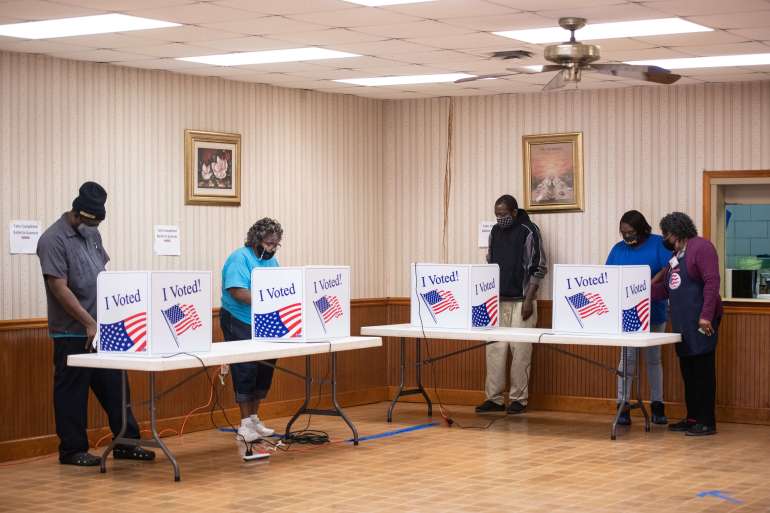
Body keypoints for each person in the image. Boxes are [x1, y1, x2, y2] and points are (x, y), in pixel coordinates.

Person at [36, 182, 155, 466]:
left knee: (117, 387)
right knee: (72, 393)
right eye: (91, 222)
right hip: (72, 331)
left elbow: (102, 273)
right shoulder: (52, 239)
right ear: (77, 214)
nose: (94, 227)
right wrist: (89, 322)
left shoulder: (92, 233)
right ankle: (73, 450)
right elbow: (58, 287)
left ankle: (127, 442)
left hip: (104, 327)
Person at [475, 194, 547, 414]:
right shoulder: (495, 232)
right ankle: (494, 399)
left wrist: (529, 299)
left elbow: (539, 266)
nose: (500, 219)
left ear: (515, 212)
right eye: (497, 215)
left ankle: (518, 399)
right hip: (497, 300)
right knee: (494, 349)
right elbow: (490, 262)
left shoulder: (529, 230)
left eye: (504, 214)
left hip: (522, 300)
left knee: (521, 350)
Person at [653, 212, 722, 436]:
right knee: (688, 371)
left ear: (678, 231)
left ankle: (706, 422)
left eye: (667, 234)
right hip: (683, 322)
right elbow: (666, 288)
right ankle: (693, 417)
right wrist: (638, 290)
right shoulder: (676, 255)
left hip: (701, 320)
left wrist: (706, 317)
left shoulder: (701, 248)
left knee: (702, 371)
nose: (665, 238)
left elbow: (712, 283)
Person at [221, 218, 283, 443]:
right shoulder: (240, 258)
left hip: (265, 321)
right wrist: (268, 299)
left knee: (264, 369)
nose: (272, 248)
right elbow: (238, 291)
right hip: (238, 319)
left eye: (276, 244)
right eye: (269, 243)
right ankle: (244, 423)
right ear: (256, 240)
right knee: (245, 369)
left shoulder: (272, 262)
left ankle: (254, 418)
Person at [606, 210, 670, 425]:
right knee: (627, 360)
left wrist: (650, 282)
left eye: (631, 232)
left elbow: (669, 267)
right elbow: (608, 277)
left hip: (654, 310)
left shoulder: (658, 243)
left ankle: (657, 405)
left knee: (654, 359)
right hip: (627, 313)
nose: (626, 237)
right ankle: (622, 405)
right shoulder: (618, 249)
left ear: (642, 229)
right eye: (623, 233)